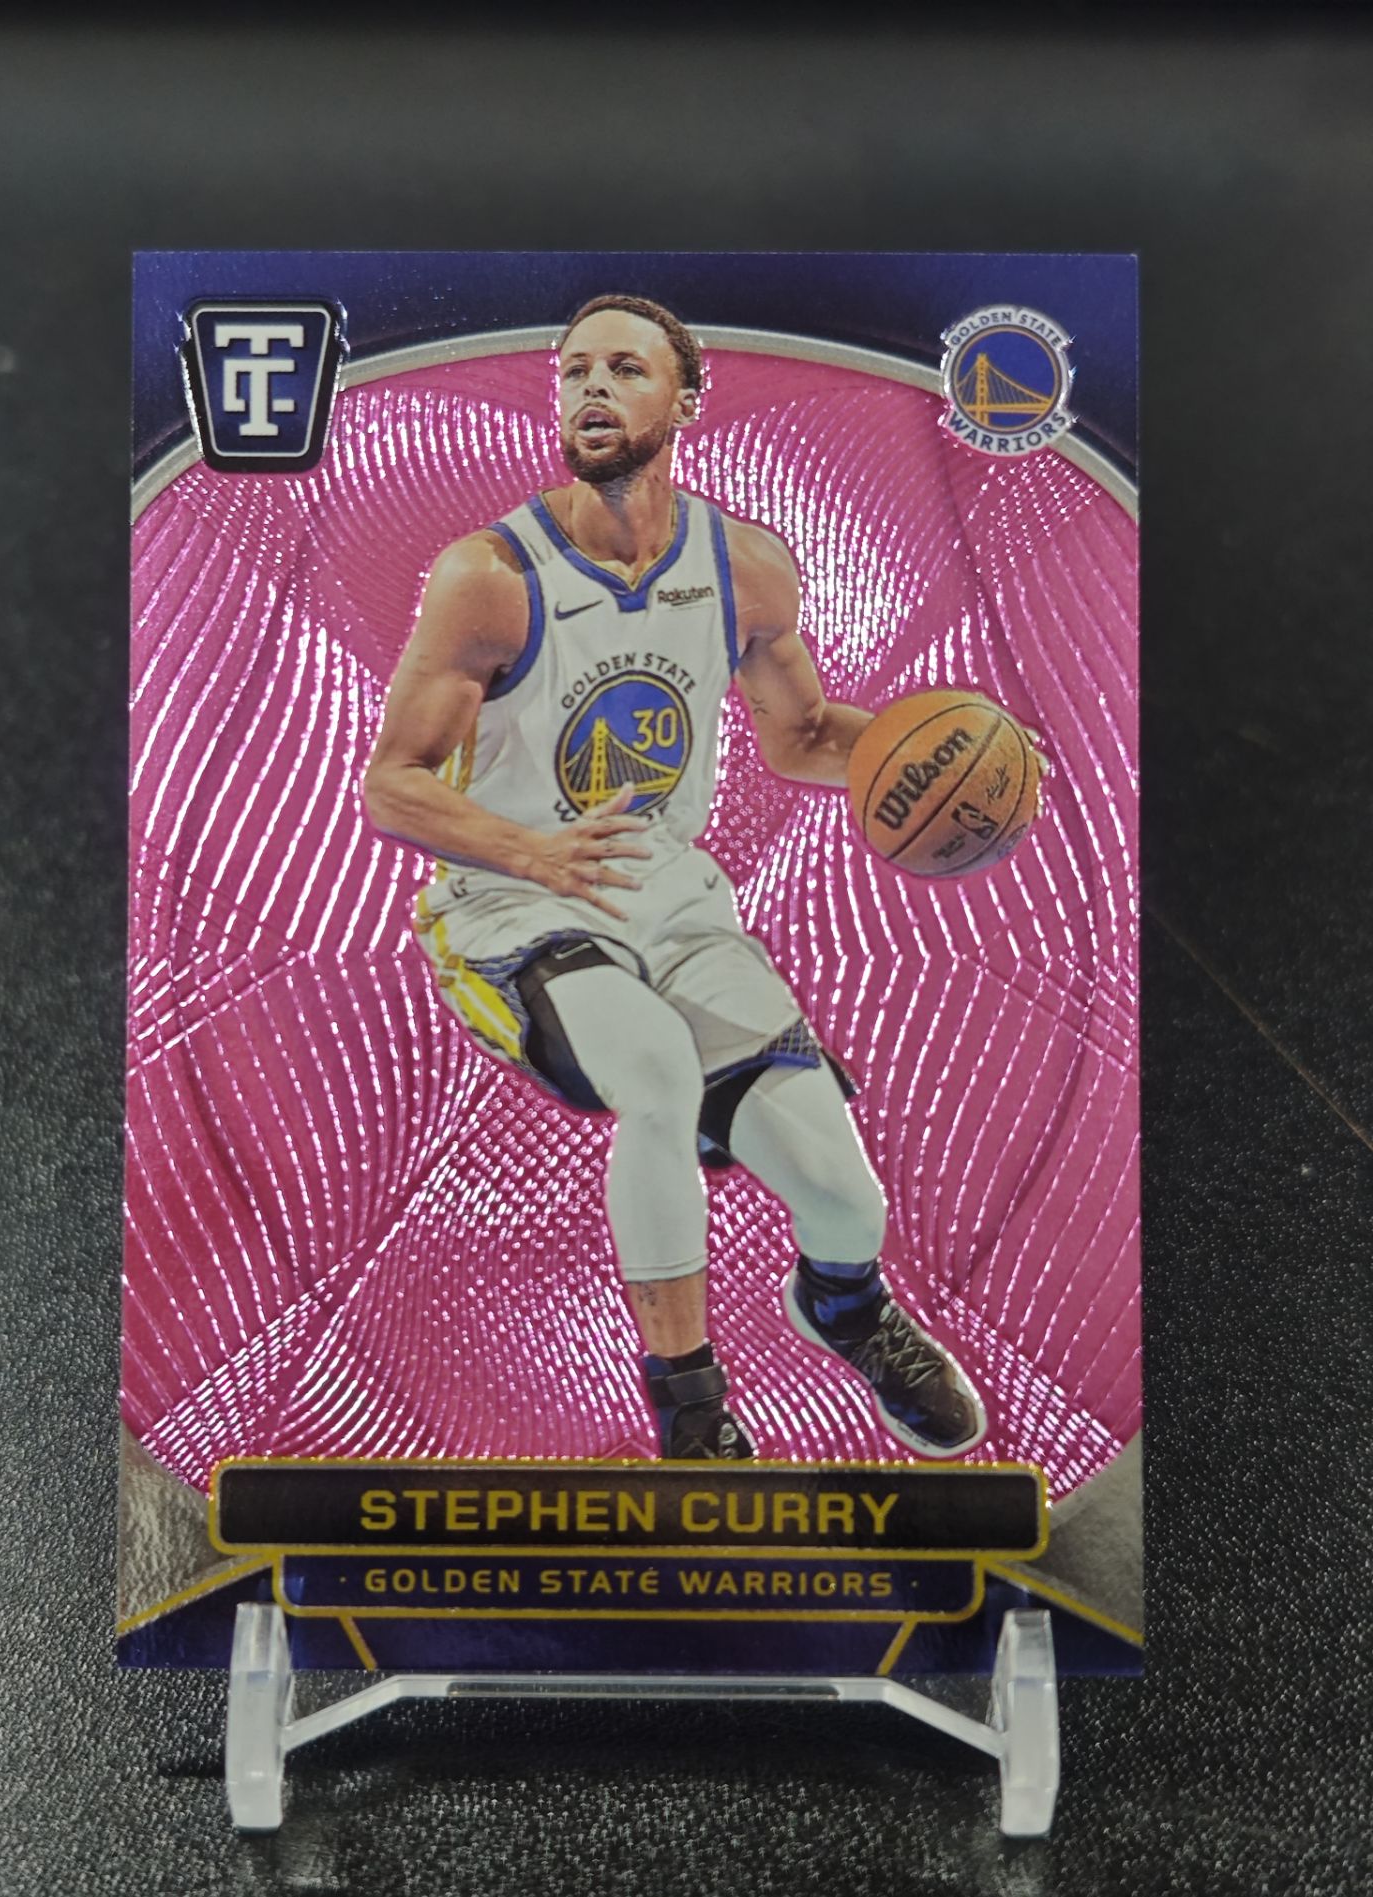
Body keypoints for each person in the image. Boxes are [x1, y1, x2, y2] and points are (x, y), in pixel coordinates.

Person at [363, 293, 986, 1462]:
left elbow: (805, 738)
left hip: (673, 896)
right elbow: (391, 785)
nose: (591, 389)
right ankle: (692, 1408)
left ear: (686, 400)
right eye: (574, 372)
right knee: (652, 1069)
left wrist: (957, 751)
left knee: (843, 1194)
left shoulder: (744, 566)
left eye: (624, 369)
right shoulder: (489, 575)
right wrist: (531, 850)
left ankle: (844, 1305)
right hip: (512, 900)